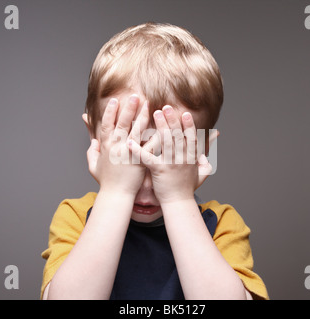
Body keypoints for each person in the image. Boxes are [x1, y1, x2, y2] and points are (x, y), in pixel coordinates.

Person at [40, 22, 269, 300]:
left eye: (167, 154)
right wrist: (116, 193)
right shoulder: (76, 217)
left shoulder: (221, 224)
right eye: (129, 153)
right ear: (95, 138)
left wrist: (177, 199)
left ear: (202, 151)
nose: (147, 183)